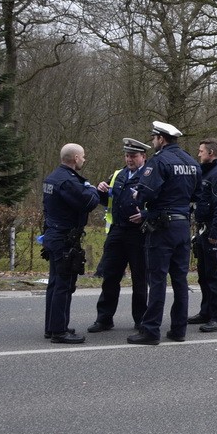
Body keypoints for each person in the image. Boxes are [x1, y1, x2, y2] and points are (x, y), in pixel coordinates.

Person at [127, 121, 200, 345]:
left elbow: (145, 193)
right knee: (180, 280)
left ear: (161, 139)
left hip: (162, 228)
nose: (152, 142)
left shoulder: (159, 161)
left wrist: (137, 197)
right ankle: (178, 330)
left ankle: (151, 331)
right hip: (182, 227)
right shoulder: (191, 161)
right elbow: (197, 194)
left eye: (153, 138)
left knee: (157, 279)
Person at [88, 138, 151, 333]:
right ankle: (104, 318)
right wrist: (101, 192)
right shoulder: (118, 174)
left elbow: (161, 202)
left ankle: (141, 319)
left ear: (143, 157)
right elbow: (108, 201)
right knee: (110, 276)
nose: (129, 159)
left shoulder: (151, 176)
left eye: (133, 156)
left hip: (138, 234)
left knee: (140, 279)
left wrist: (145, 215)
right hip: (117, 232)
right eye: (127, 156)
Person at [41, 144, 100, 343]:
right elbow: (88, 202)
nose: (85, 159)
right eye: (83, 156)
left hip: (53, 234)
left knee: (55, 282)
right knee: (64, 285)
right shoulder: (67, 181)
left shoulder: (52, 177)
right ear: (75, 158)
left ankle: (52, 326)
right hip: (64, 237)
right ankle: (59, 332)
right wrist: (92, 188)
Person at [189, 137, 217, 333]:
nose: (198, 154)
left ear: (211, 153)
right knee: (204, 274)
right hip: (202, 229)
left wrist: (215, 234)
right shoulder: (205, 173)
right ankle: (206, 311)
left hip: (212, 230)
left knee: (215, 275)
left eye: (201, 151)